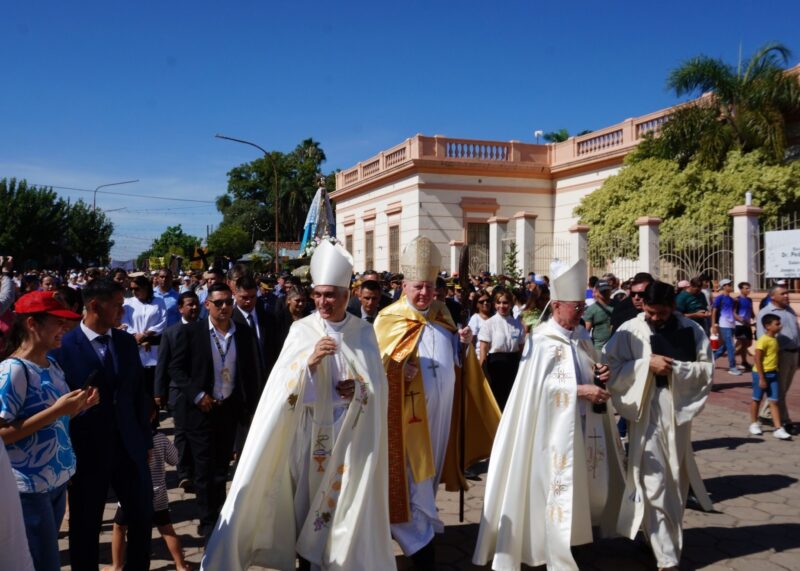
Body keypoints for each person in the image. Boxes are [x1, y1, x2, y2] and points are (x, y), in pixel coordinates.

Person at [201, 240, 394, 570]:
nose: (322, 301)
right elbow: (281, 388)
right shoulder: (301, 330)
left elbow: (377, 388)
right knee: (304, 508)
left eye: (330, 294)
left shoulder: (363, 333)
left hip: (347, 437)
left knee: (342, 508)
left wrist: (359, 390)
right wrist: (310, 363)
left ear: (347, 296)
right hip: (307, 436)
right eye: (317, 294)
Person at [473, 259, 625, 571]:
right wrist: (580, 391)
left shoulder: (581, 338)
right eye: (575, 306)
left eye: (582, 305)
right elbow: (534, 392)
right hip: (548, 435)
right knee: (550, 487)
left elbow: (588, 369)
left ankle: (572, 539)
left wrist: (602, 373)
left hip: (581, 428)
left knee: (577, 486)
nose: (581, 311)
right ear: (556, 305)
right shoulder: (541, 341)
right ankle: (544, 546)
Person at [374, 237, 499, 570]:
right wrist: (398, 370)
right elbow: (372, 372)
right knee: (411, 479)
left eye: (429, 287)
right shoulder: (388, 320)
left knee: (427, 478)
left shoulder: (444, 318)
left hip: (441, 418)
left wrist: (463, 347)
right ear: (404, 286)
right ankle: (418, 543)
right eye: (417, 287)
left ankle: (423, 527)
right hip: (404, 423)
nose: (424, 294)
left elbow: (458, 367)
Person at [604, 281, 714, 571]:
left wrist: (677, 368)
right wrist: (644, 365)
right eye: (650, 312)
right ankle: (667, 558)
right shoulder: (630, 329)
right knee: (654, 482)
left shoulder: (692, 331)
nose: (655, 318)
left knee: (676, 481)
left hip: (675, 412)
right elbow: (611, 365)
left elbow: (706, 370)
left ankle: (652, 536)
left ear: (672, 307)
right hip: (645, 410)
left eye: (661, 313)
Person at [51, 278, 154, 571]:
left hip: (129, 448)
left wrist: (145, 441)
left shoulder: (124, 342)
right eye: (118, 305)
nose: (123, 311)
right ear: (95, 306)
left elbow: (136, 396)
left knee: (141, 518)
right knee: (85, 526)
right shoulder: (64, 346)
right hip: (87, 452)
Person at [0, 291, 98, 570]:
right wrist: (58, 410)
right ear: (32, 323)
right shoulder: (14, 370)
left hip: (54, 482)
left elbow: (53, 421)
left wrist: (79, 407)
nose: (64, 329)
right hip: (29, 488)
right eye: (57, 322)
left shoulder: (51, 364)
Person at [168, 282, 261, 538]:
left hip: (229, 408)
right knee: (204, 468)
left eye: (228, 302)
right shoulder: (193, 333)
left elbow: (251, 371)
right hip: (201, 410)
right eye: (218, 303)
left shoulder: (242, 333)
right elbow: (176, 369)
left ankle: (221, 518)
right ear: (207, 304)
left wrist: (252, 406)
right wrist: (197, 395)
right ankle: (207, 522)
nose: (224, 307)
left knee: (221, 468)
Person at [105, 402, 193, 571]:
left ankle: (116, 565)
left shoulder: (127, 439)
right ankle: (181, 565)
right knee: (167, 530)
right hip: (158, 493)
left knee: (119, 528)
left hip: (131, 492)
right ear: (153, 416)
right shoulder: (160, 439)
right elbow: (175, 460)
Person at [154, 291, 200, 490]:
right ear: (180, 308)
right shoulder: (171, 332)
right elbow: (162, 364)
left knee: (198, 431)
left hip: (200, 390)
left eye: (196, 304)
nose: (194, 308)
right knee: (181, 432)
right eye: (189, 304)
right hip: (178, 391)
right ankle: (184, 473)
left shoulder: (206, 330)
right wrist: (159, 391)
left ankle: (198, 469)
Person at [756, 285, 799, 433]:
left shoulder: (789, 310)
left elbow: (796, 331)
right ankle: (784, 422)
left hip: (793, 354)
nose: (787, 296)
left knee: (783, 389)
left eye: (787, 293)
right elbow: (762, 340)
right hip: (779, 356)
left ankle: (766, 414)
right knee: (779, 390)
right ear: (773, 296)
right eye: (783, 294)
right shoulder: (766, 313)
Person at [478, 289, 525, 410]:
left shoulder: (517, 324)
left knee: (512, 402)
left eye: (505, 303)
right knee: (498, 402)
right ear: (495, 304)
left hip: (513, 365)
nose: (502, 306)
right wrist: (484, 373)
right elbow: (483, 350)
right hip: (496, 367)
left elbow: (521, 350)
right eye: (499, 303)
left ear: (511, 304)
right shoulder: (489, 324)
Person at [749, 314, 791, 440]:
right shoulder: (763, 340)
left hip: (773, 373)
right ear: (767, 326)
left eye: (779, 323)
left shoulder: (774, 339)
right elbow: (757, 358)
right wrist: (761, 377)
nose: (780, 326)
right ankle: (754, 423)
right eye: (777, 324)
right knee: (757, 399)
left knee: (774, 401)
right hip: (761, 374)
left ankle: (778, 428)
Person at [711, 279, 741, 376]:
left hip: (732, 324)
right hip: (723, 324)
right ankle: (732, 367)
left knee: (725, 347)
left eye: (730, 284)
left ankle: (711, 358)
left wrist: (742, 320)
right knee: (731, 346)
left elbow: (733, 313)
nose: (730, 286)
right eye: (728, 285)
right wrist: (713, 326)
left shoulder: (732, 300)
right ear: (723, 287)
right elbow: (714, 312)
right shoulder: (719, 298)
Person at [583, 278, 614, 350]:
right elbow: (585, 332)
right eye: (602, 291)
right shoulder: (591, 309)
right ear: (596, 292)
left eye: (607, 290)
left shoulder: (617, 305)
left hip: (616, 347)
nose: (605, 292)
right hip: (599, 349)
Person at [734, 281, 754, 371]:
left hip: (747, 324)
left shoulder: (749, 300)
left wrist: (754, 317)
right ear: (741, 289)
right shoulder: (737, 300)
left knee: (748, 343)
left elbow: (751, 311)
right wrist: (741, 320)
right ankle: (738, 361)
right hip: (739, 325)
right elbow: (733, 313)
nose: (748, 290)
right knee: (741, 343)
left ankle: (742, 360)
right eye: (746, 288)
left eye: (749, 288)